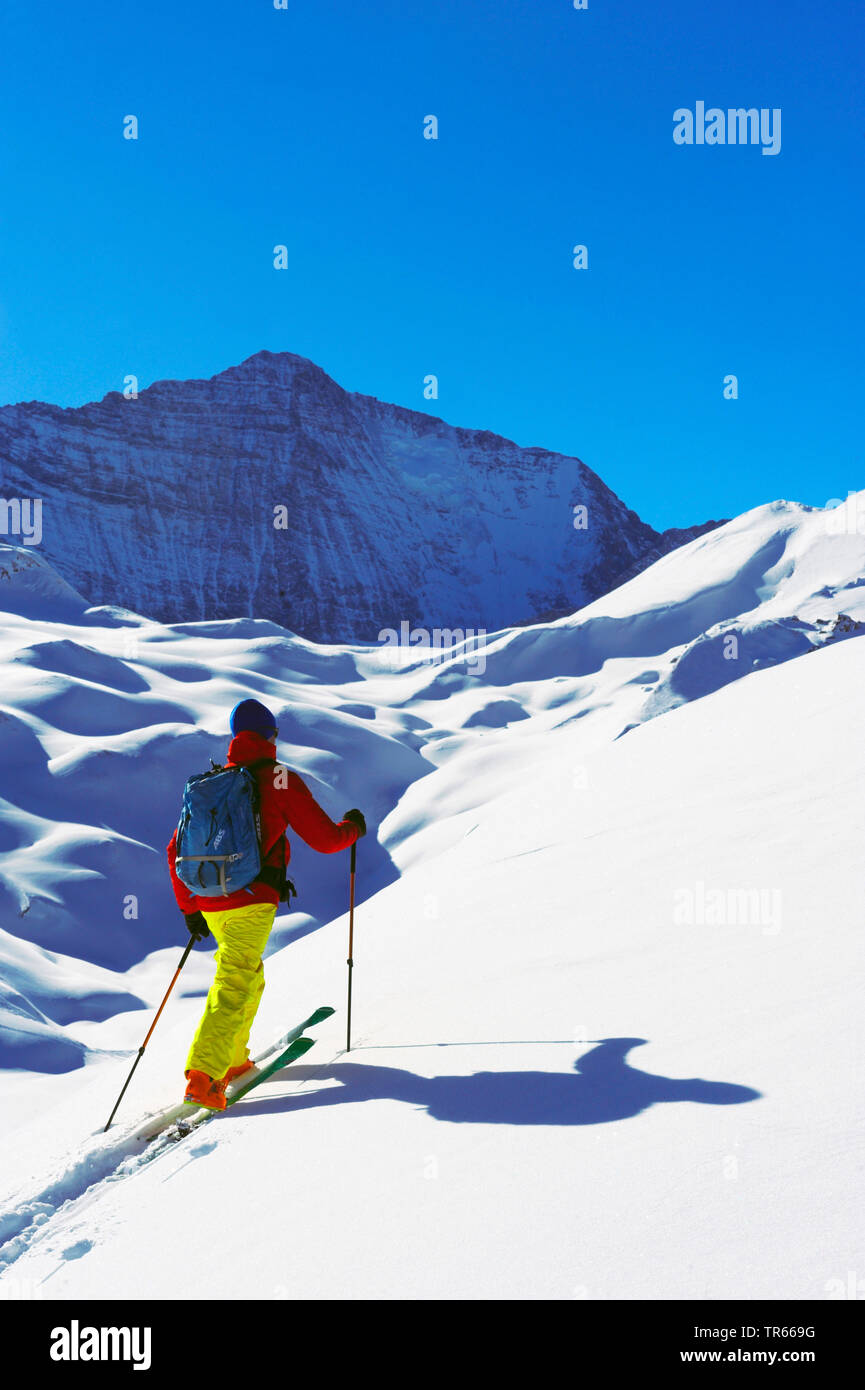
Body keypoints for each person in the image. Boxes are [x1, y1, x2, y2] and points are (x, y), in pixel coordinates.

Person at [166, 697, 365, 1110]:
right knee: (235, 979)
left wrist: (190, 909)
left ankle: (233, 1061)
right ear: (271, 736)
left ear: (236, 737)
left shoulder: (215, 781)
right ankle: (203, 1078)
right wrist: (353, 829)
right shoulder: (278, 779)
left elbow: (174, 851)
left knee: (247, 974)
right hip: (251, 900)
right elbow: (326, 840)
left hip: (209, 900)